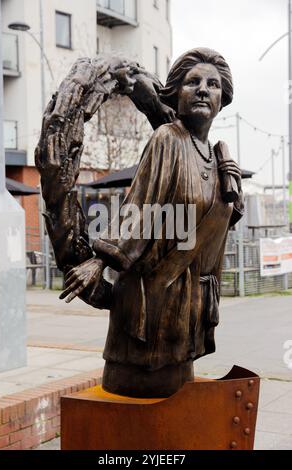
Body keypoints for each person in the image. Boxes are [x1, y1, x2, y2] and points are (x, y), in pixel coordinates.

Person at [59, 48, 244, 398]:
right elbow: (142, 206)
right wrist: (100, 260)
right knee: (141, 402)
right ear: (176, 93)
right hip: (153, 299)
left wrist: (233, 193)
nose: (203, 89)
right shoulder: (167, 140)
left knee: (178, 402)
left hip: (191, 302)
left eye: (213, 84)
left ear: (223, 99)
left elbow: (215, 226)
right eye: (193, 82)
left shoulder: (218, 156)